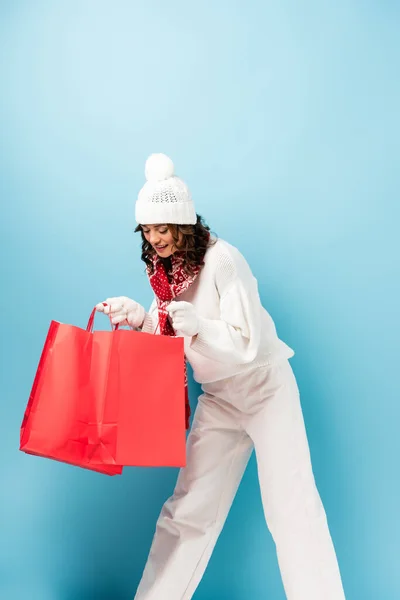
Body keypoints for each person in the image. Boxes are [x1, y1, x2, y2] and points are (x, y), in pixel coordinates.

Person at [96, 154, 346, 600]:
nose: (155, 240)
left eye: (162, 229)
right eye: (147, 231)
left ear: (183, 225)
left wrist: (199, 326)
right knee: (186, 512)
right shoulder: (163, 272)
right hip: (220, 397)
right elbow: (170, 332)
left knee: (293, 510)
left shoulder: (224, 260)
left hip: (265, 388)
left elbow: (244, 340)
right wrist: (139, 317)